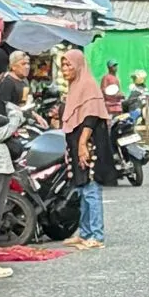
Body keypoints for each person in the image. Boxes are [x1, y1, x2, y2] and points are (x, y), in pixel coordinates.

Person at [61, 47, 110, 248]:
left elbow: (91, 117)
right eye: (63, 65)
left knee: (91, 189)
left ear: (78, 66)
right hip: (76, 143)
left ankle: (96, 236)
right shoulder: (75, 86)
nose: (64, 69)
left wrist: (82, 144)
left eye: (68, 65)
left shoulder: (88, 85)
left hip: (89, 144)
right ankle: (85, 232)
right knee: (81, 189)